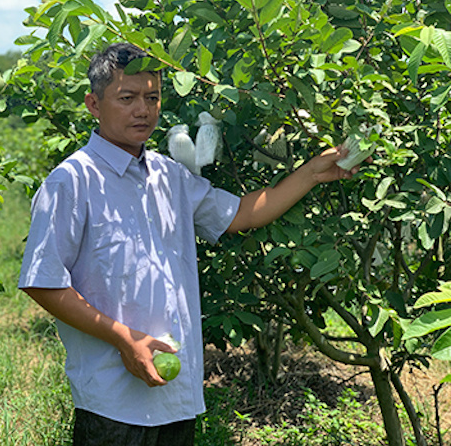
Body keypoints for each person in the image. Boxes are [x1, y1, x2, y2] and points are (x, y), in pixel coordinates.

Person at [18, 42, 363, 446]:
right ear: (94, 104)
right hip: (112, 402)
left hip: (177, 398)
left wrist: (313, 173)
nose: (143, 110)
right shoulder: (72, 181)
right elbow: (43, 282)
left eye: (152, 98)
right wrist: (123, 339)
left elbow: (241, 214)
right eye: (127, 98)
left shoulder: (169, 176)